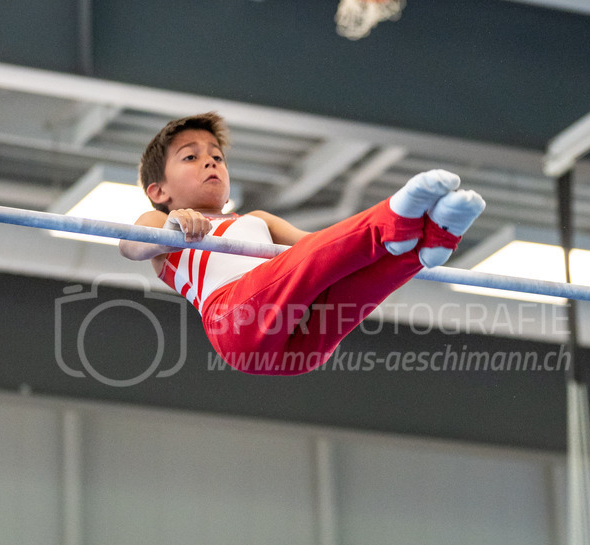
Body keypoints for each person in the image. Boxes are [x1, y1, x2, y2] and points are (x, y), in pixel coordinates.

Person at [120, 113, 485, 375]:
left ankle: (427, 243)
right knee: (316, 261)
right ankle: (392, 220)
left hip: (299, 336)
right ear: (159, 191)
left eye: (217, 156)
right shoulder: (162, 225)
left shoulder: (257, 220)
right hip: (237, 324)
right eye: (191, 157)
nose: (210, 163)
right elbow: (130, 246)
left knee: (341, 275)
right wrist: (171, 225)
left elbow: (326, 251)